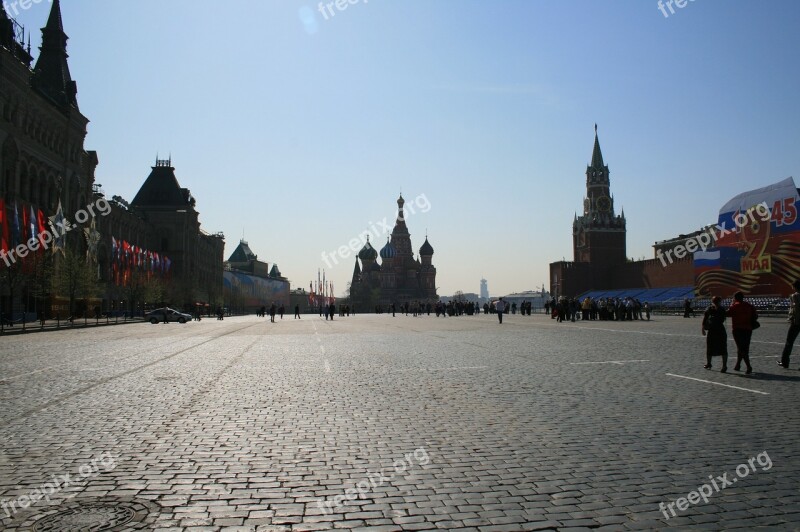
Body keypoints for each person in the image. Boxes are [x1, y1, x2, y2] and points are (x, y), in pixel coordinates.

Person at [727, 291, 756, 374]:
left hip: (738, 329)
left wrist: (732, 304)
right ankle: (738, 365)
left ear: (735, 298)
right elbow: (755, 315)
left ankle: (748, 366)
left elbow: (728, 314)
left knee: (741, 348)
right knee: (744, 347)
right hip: (748, 329)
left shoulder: (734, 306)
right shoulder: (749, 305)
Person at [702, 296, 728, 372]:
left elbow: (705, 319)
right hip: (716, 330)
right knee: (713, 347)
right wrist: (703, 328)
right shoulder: (711, 309)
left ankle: (721, 365)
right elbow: (705, 319)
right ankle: (712, 364)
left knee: (720, 348)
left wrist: (703, 328)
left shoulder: (718, 309)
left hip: (716, 330)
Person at [780, 279, 800, 368]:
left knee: (789, 342)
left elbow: (794, 310)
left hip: (796, 322)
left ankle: (785, 362)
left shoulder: (794, 296)